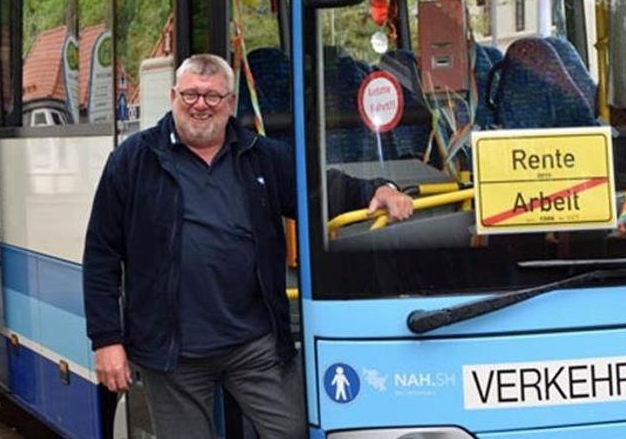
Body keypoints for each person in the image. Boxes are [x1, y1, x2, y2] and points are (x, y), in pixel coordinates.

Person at [83, 53, 413, 438]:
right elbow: (101, 254)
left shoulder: (260, 155)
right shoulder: (133, 160)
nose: (200, 106)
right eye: (190, 95)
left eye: (212, 97)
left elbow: (320, 190)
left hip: (253, 342)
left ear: (230, 103)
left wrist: (380, 189)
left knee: (290, 431)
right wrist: (107, 340)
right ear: (173, 96)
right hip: (172, 351)